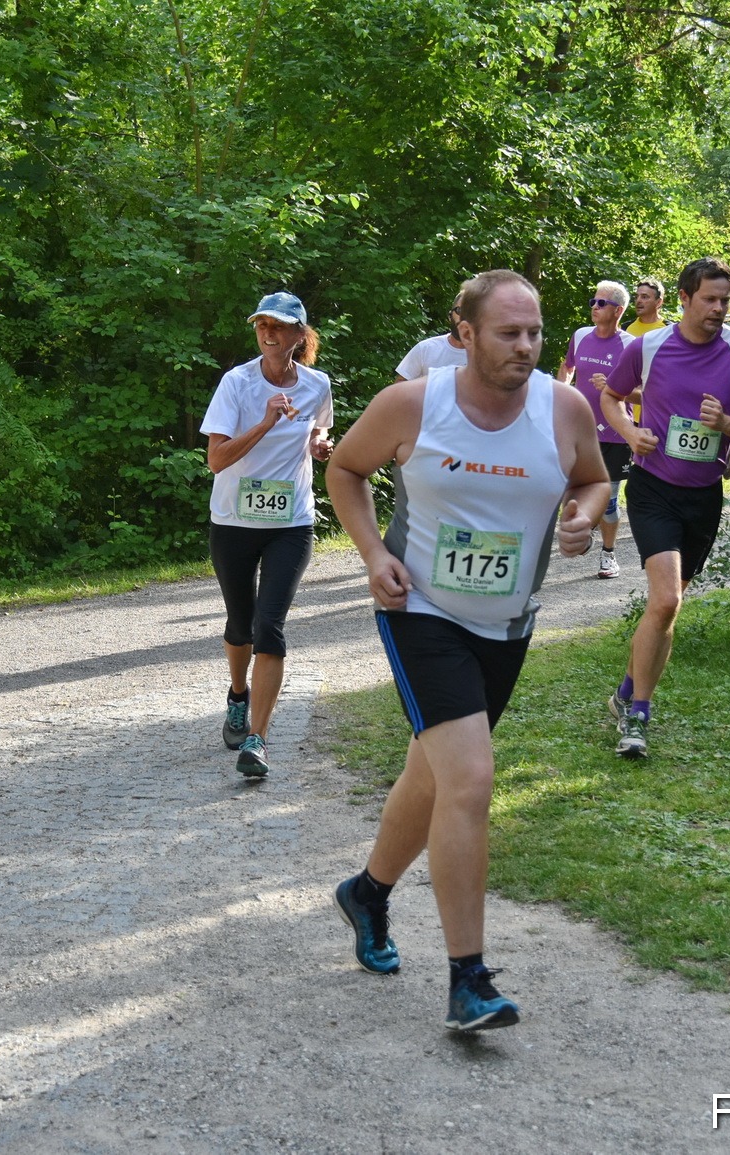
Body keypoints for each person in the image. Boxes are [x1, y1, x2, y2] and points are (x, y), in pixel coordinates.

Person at [325, 270, 610, 1031]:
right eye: (509, 333)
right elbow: (346, 468)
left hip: (507, 626)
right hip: (419, 609)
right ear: (465, 332)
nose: (526, 347)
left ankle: (368, 893)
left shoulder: (565, 408)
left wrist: (584, 516)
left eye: (536, 332)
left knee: (434, 776)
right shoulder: (414, 404)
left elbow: (594, 481)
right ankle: (469, 978)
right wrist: (369, 553)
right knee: (473, 779)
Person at [599, 258, 730, 758]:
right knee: (667, 601)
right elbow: (611, 398)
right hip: (653, 488)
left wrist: (729, 426)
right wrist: (630, 432)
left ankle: (625, 693)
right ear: (685, 298)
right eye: (710, 299)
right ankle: (638, 718)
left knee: (668, 604)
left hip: (704, 495)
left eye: (726, 300)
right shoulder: (649, 346)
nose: (720, 308)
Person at [201, 291, 334, 777]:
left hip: (291, 523)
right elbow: (216, 459)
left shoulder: (317, 385)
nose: (268, 333)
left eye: (279, 326)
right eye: (262, 325)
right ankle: (238, 692)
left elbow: (319, 432)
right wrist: (265, 421)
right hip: (234, 521)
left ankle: (257, 739)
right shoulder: (235, 384)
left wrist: (320, 446)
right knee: (241, 624)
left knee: (269, 626)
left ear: (300, 335)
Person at [557, 280, 637, 578]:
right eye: (593, 301)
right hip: (580, 430)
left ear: (618, 311)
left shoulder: (630, 345)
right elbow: (568, 367)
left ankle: (609, 554)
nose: (593, 307)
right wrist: (562, 389)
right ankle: (586, 526)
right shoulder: (580, 336)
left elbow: (646, 391)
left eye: (601, 303)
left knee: (608, 501)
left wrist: (618, 389)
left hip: (616, 433)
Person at [393, 292, 468, 381]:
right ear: (450, 315)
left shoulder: (486, 355)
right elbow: (401, 386)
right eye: (460, 310)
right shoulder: (425, 349)